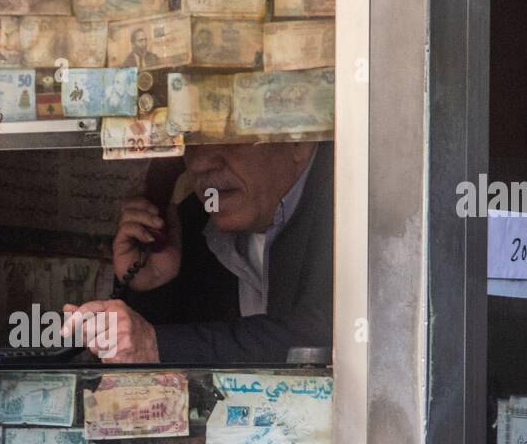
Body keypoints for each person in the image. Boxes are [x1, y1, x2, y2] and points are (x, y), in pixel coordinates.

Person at [66, 140, 333, 364]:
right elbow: (163, 372)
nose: (199, 164)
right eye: (191, 143)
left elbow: (326, 336)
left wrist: (157, 344)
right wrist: (153, 286)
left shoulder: (347, 207)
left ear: (298, 141)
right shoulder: (193, 222)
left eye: (226, 139)